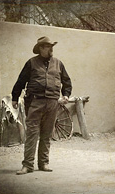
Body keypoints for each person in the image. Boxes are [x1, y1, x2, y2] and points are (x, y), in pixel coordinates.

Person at [11, 36, 72, 175]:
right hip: (35, 102)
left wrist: (66, 94)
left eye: (52, 46)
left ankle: (43, 163)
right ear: (41, 48)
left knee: (47, 134)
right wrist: (15, 98)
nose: (51, 49)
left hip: (52, 102)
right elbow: (20, 81)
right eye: (48, 46)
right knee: (32, 133)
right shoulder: (31, 63)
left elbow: (67, 82)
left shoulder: (58, 63)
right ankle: (27, 166)